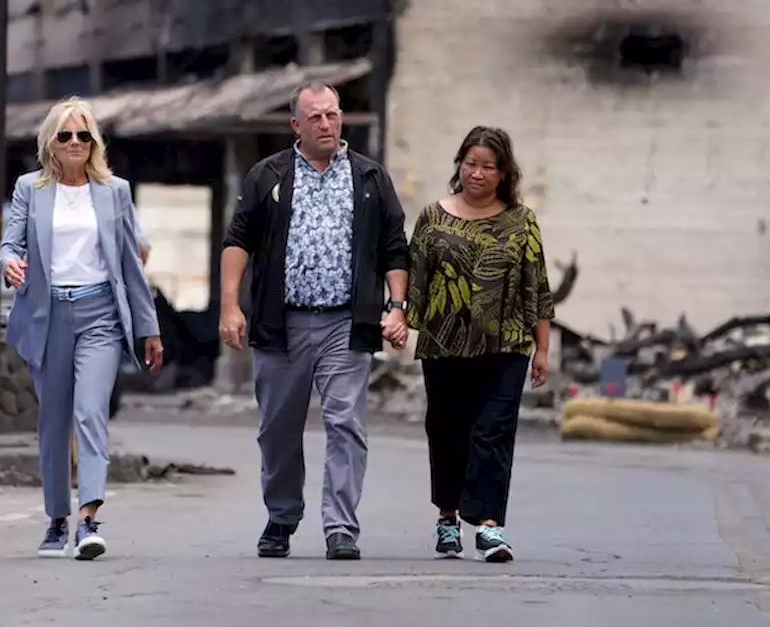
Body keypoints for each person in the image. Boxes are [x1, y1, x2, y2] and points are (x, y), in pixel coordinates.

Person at [218, 82, 410, 561]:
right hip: (280, 325)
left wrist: (397, 305)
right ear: (296, 125)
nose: (326, 125)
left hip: (346, 324)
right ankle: (282, 516)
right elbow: (238, 240)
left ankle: (341, 527)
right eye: (316, 118)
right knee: (278, 429)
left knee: (346, 424)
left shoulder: (368, 177)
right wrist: (229, 305)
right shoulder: (269, 176)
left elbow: (394, 245)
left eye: (333, 115)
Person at [0, 96, 163, 561]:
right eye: (66, 134)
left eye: (84, 135)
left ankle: (88, 520)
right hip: (47, 316)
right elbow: (8, 244)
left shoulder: (115, 192)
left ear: (95, 143)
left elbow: (131, 265)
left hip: (100, 316)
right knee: (54, 422)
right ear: (50, 141)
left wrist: (148, 328)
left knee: (91, 413)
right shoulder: (30, 189)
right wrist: (10, 262)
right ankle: (56, 517)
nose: (75, 142)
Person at [404, 125, 554, 563]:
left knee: (494, 430)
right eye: (471, 163)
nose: (478, 173)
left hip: (505, 344)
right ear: (459, 165)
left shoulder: (521, 221)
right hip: (443, 343)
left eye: (489, 166)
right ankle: (448, 519)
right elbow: (416, 280)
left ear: (504, 172)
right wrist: (397, 320)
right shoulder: (433, 217)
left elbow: (537, 288)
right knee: (447, 430)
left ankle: (489, 527)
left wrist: (541, 348)